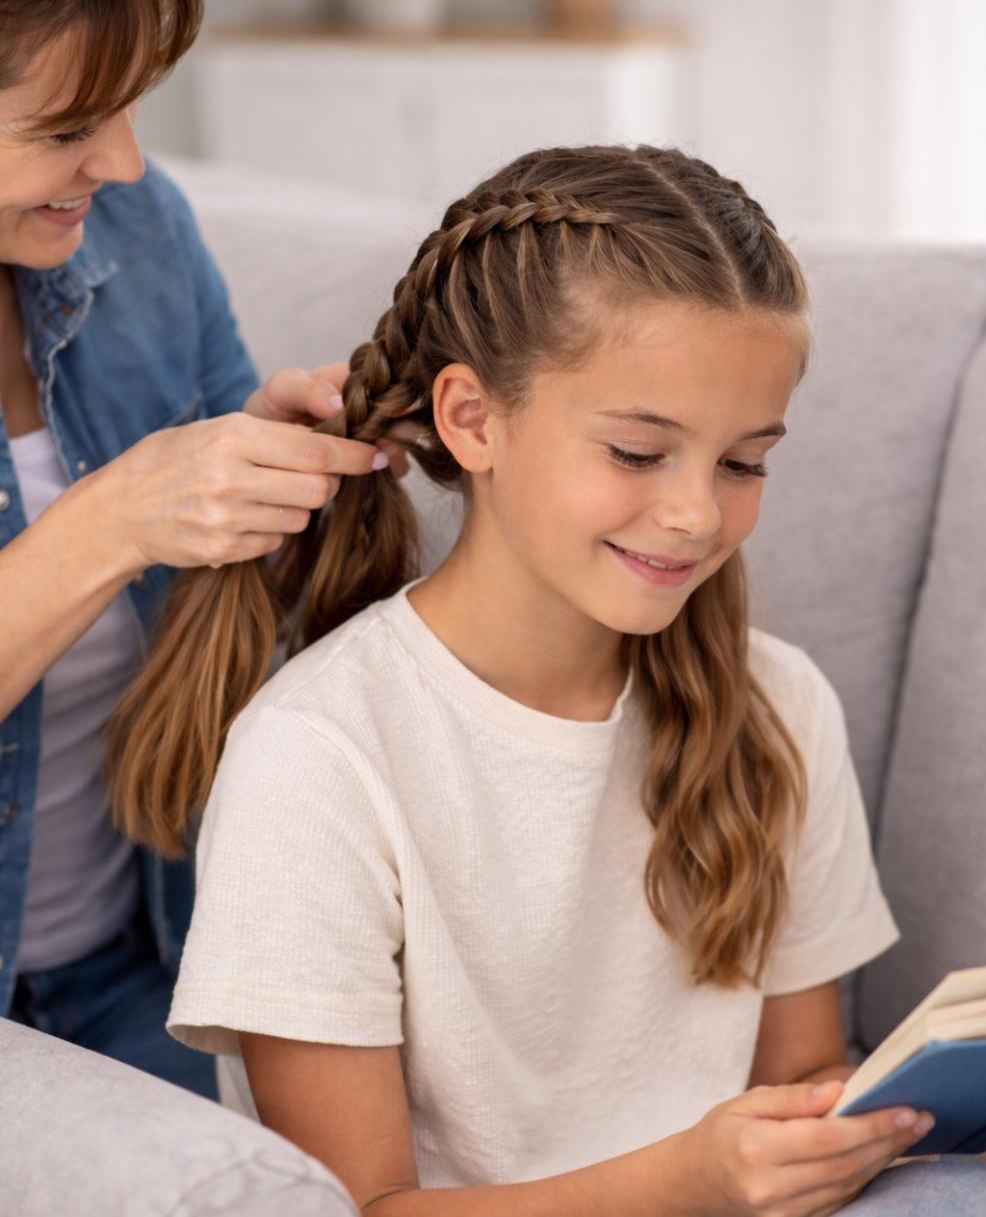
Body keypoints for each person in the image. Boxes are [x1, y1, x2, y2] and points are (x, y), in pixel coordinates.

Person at [117, 144, 973, 1214]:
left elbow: (798, 1074)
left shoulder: (774, 704)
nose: (697, 513)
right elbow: (357, 1207)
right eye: (634, 450)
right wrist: (690, 1182)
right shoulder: (319, 753)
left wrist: (843, 1127)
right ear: (473, 419)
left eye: (742, 462)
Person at [0, 0, 399, 1099]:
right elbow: (132, 513)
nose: (124, 161)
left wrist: (277, 469)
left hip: (146, 964)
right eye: (69, 127)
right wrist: (118, 517)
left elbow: (246, 609)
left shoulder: (139, 232)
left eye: (132, 105)